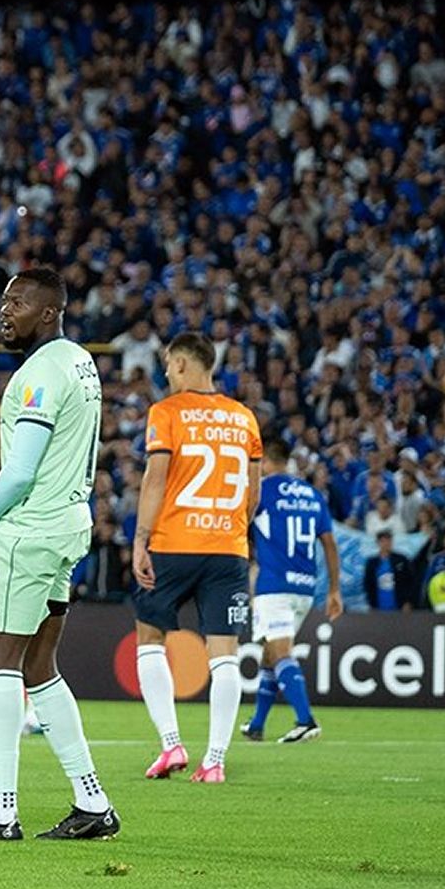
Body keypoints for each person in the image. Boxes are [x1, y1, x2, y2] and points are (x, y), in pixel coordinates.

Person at [0, 269, 117, 842]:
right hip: (70, 524)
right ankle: (92, 803)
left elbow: (15, 471)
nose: (4, 311)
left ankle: (1, 811)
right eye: (3, 301)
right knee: (41, 668)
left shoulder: (37, 374)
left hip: (31, 531)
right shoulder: (79, 361)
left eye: (17, 303)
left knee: (0, 662)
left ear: (49, 312)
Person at [131, 331, 263, 784]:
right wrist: (231, 530)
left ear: (184, 364)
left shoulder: (166, 413)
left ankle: (171, 745)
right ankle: (215, 761)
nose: (166, 372)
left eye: (169, 364)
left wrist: (140, 540)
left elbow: (155, 480)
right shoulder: (244, 419)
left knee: (149, 638)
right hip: (227, 549)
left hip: (172, 543)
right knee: (224, 652)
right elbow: (253, 492)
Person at [244, 439, 342, 743]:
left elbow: (240, 525)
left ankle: (306, 720)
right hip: (305, 586)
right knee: (270, 653)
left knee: (280, 652)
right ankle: (257, 724)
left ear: (266, 459)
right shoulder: (312, 495)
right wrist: (334, 590)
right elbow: (328, 542)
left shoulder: (261, 491)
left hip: (274, 585)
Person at [364, 532, 419, 611]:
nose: (386, 544)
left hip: (398, 604)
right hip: (379, 605)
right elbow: (368, 584)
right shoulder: (372, 562)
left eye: (388, 541)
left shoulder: (401, 559)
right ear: (378, 543)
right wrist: (371, 603)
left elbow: (410, 581)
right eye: (383, 541)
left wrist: (408, 601)